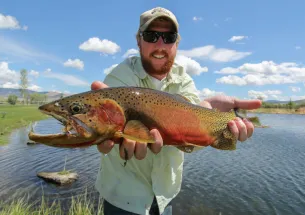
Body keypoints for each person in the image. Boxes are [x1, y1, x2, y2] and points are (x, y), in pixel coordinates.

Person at [91, 7, 262, 215]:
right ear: (138, 40)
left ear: (177, 43)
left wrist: (211, 117)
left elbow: (189, 142)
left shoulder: (185, 81)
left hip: (165, 196)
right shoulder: (119, 78)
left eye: (168, 37)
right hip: (122, 198)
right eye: (151, 35)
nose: (160, 45)